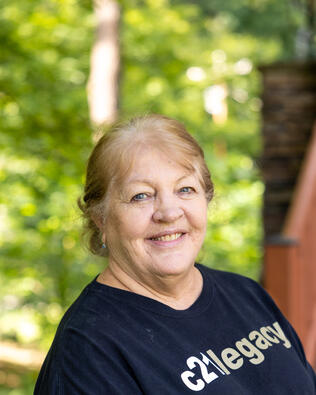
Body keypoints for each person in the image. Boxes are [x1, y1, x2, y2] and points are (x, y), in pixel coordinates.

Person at [34, 114, 316, 394]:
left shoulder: (246, 294)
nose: (169, 212)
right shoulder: (88, 349)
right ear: (100, 219)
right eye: (140, 196)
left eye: (185, 189)